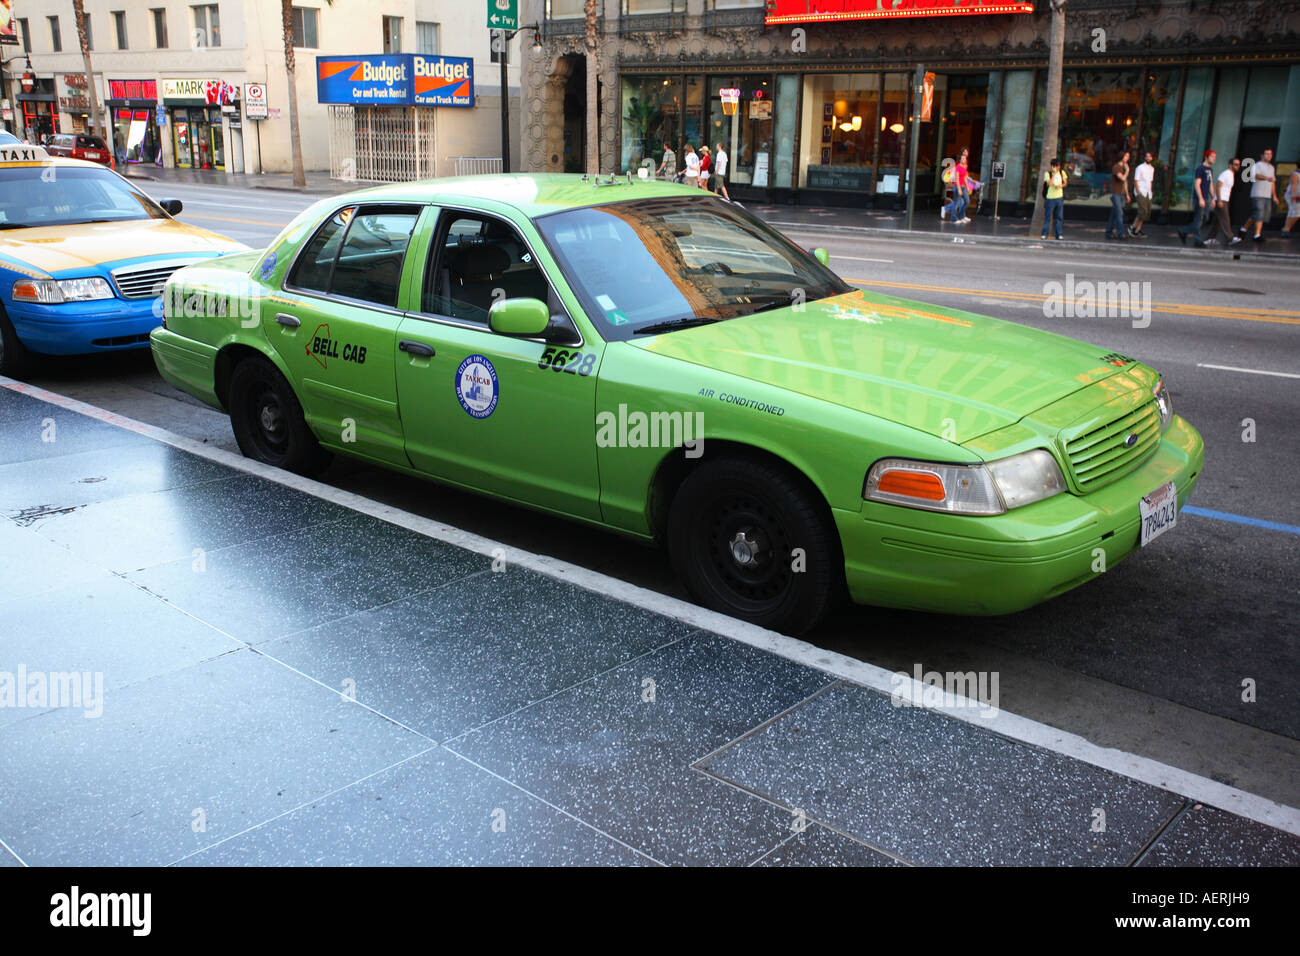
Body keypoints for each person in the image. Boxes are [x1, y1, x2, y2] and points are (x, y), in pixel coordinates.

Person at [1179, 149, 1216, 247]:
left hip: (1206, 198)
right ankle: (1198, 240)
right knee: (1199, 219)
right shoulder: (1200, 169)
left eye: (1214, 157)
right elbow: (1197, 184)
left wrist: (1213, 197)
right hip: (1200, 198)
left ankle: (1184, 231)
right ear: (1206, 157)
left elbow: (1211, 184)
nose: (1213, 159)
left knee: (1205, 218)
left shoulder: (1210, 170)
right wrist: (1200, 198)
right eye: (1212, 157)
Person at [1207, 157, 1244, 246]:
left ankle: (1210, 238)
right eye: (1235, 164)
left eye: (1239, 164)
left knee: (1218, 221)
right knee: (1225, 219)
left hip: (1224, 199)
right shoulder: (1226, 174)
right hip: (1221, 199)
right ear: (1230, 165)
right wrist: (1219, 200)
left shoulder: (1231, 175)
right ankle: (1230, 238)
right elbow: (1218, 186)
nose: (1238, 166)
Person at [1247, 147, 1278, 241]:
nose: (1269, 156)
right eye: (1267, 154)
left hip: (1267, 194)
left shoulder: (1271, 167)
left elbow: (1273, 182)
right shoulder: (1257, 165)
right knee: (1259, 213)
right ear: (1262, 155)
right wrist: (1266, 178)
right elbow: (1257, 175)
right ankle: (1257, 235)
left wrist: (1274, 196)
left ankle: (1243, 229)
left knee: (1261, 214)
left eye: (1270, 154)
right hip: (1258, 193)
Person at [1106, 150, 1131, 239]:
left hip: (1121, 194)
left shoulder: (1123, 168)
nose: (1128, 158)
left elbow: (1125, 183)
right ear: (1122, 157)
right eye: (1126, 156)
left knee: (1114, 214)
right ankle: (1121, 233)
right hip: (1115, 193)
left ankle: (1108, 232)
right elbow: (1123, 178)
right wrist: (1128, 170)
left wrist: (1127, 194)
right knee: (1119, 213)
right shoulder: (1116, 167)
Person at [1041, 158, 1067, 240]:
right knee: (1048, 216)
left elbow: (1065, 182)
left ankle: (1058, 234)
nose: (1057, 167)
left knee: (1059, 216)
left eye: (1058, 166)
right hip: (1050, 198)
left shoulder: (1062, 173)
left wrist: (1061, 185)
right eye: (1055, 166)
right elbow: (1049, 183)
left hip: (1059, 197)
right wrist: (1054, 174)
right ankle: (1045, 233)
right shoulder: (1048, 174)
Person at [1130, 151, 1155, 237]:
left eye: (1149, 156)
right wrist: (1138, 192)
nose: (1148, 158)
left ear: (1152, 158)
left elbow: (1150, 181)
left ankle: (1138, 230)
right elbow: (1136, 180)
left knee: (1145, 212)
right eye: (1146, 156)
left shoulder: (1152, 169)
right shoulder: (1140, 167)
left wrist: (1151, 192)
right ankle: (1132, 227)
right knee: (1142, 210)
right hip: (1141, 191)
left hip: (1148, 192)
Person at [1283, 157, 1300, 235]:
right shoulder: (1295, 174)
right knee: (1297, 213)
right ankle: (1286, 228)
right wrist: (1293, 196)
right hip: (1293, 196)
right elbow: (1294, 185)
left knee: (1291, 213)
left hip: (1298, 197)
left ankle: (1286, 229)